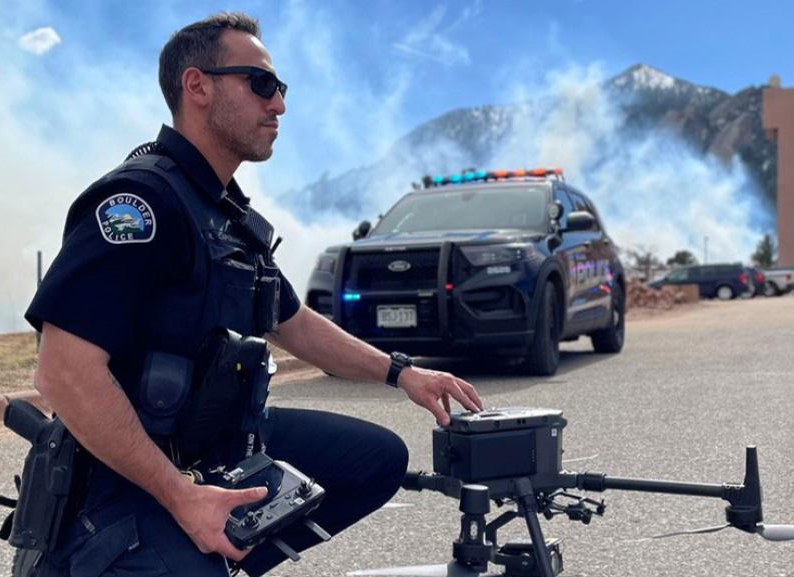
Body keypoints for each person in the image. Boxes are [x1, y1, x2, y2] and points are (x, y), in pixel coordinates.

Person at [25, 12, 483, 577]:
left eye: (280, 88)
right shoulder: (138, 204)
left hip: (211, 445)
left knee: (374, 460)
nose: (279, 105)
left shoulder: (226, 216)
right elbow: (64, 371)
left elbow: (294, 323)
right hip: (122, 476)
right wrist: (180, 497)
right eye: (261, 84)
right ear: (198, 86)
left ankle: (221, 553)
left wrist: (403, 374)